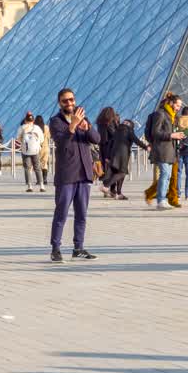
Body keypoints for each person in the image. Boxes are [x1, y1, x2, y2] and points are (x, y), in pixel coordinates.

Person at [49, 88, 101, 262]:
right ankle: (55, 248)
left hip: (84, 173)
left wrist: (87, 127)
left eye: (71, 99)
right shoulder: (55, 122)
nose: (70, 103)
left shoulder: (82, 118)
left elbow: (97, 139)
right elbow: (62, 143)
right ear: (59, 103)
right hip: (67, 175)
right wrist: (73, 125)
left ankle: (78, 247)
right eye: (65, 101)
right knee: (61, 212)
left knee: (82, 214)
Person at [145, 93, 185, 209]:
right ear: (171, 103)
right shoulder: (161, 114)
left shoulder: (172, 116)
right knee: (165, 174)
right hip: (161, 150)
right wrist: (172, 135)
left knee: (167, 176)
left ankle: (162, 200)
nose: (178, 108)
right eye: (177, 105)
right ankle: (161, 200)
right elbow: (155, 132)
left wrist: (179, 135)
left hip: (170, 151)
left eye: (180, 106)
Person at [104, 118, 146, 200]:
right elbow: (136, 140)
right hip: (123, 156)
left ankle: (118, 193)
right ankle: (106, 186)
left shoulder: (117, 131)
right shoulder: (129, 131)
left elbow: (110, 143)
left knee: (116, 173)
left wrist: (107, 156)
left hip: (113, 154)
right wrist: (146, 147)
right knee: (122, 173)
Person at [16, 112, 47, 192]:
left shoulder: (22, 128)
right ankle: (42, 185)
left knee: (27, 168)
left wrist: (23, 143)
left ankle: (29, 186)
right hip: (35, 150)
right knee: (37, 167)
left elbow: (18, 139)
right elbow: (42, 139)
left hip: (25, 150)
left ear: (25, 120)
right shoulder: (37, 128)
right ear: (33, 120)